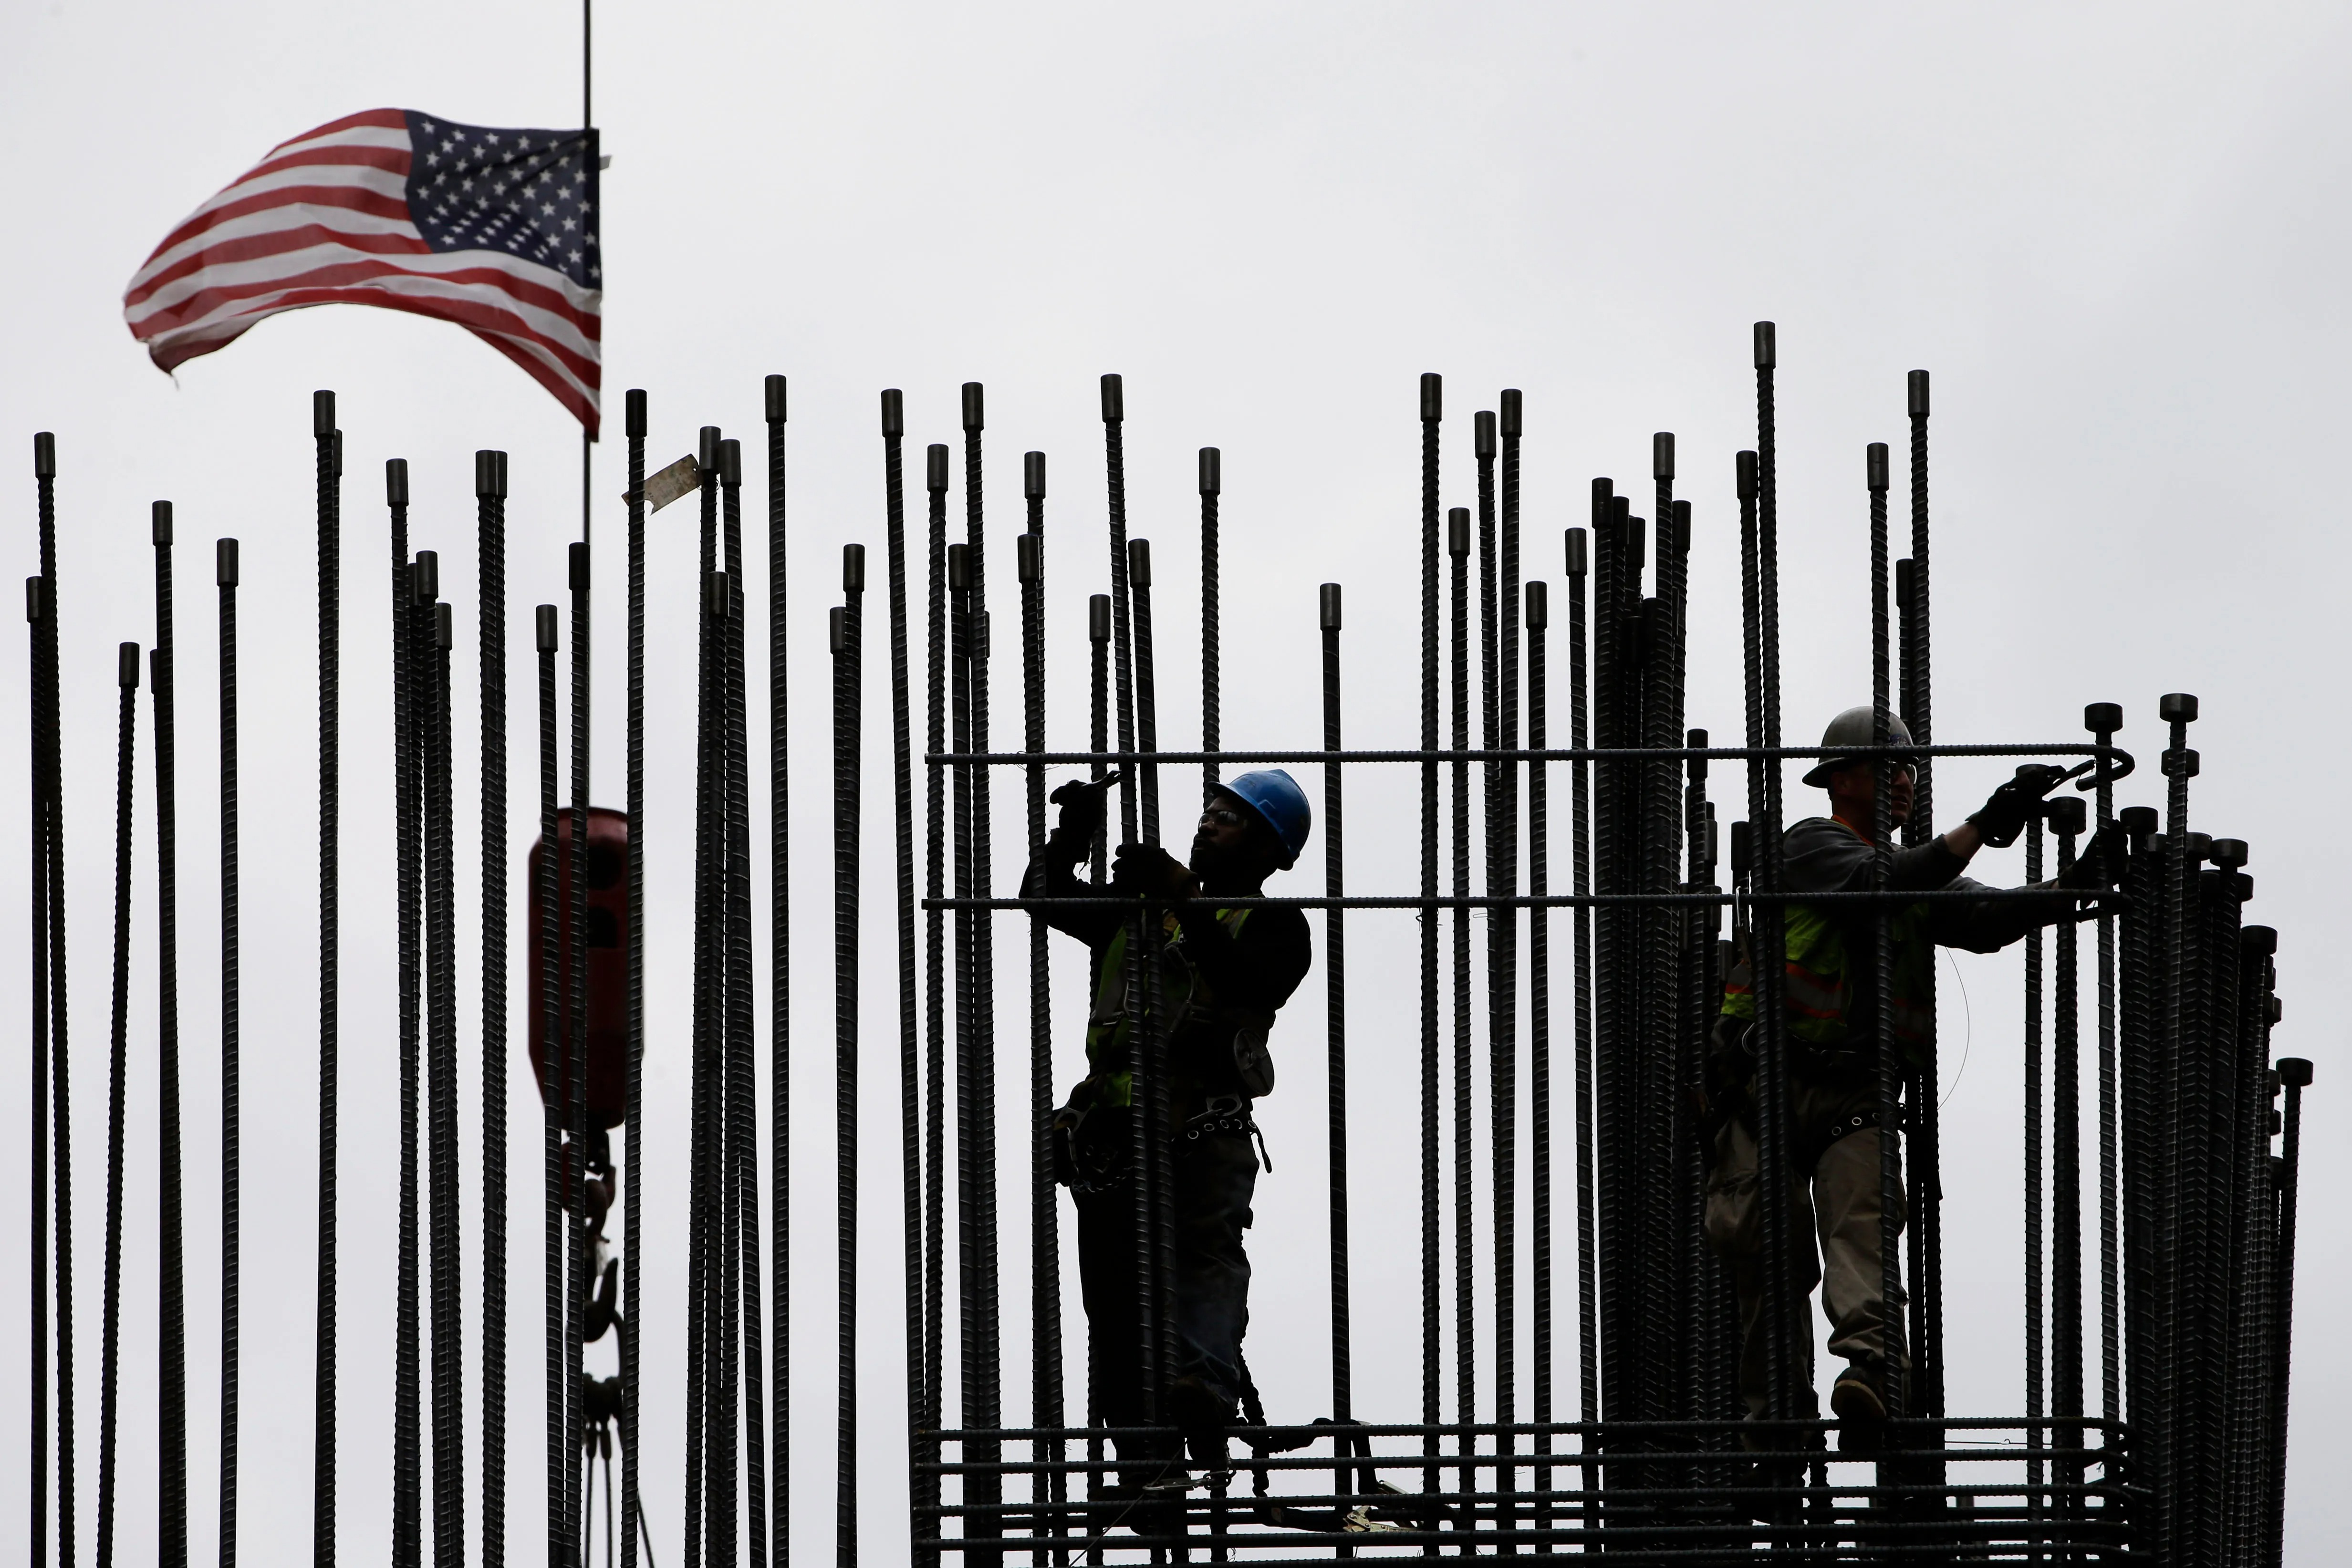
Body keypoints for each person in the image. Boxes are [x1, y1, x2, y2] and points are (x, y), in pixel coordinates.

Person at [1707, 706, 2120, 1435]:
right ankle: (1774, 1426)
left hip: (1858, 1089)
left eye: (1909, 768)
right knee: (1769, 1265)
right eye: (1887, 766)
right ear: (1839, 778)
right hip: (1764, 1088)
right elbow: (1887, 879)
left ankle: (1870, 1369)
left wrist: (2069, 889)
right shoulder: (1811, 846)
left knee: (1861, 1226)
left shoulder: (1908, 875)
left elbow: (1985, 915)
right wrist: (1982, 825)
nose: (1903, 780)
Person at [1024, 767, 1314, 1498]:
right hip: (1112, 1138)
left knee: (1202, 1266)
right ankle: (1146, 1463)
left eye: (1232, 818)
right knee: (1117, 1308)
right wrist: (1074, 834)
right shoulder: (1139, 914)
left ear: (1270, 851)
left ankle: (1205, 1395)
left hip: (1199, 1129)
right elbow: (1042, 896)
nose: (1208, 822)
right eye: (1210, 810)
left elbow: (1247, 982)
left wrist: (1184, 899)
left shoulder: (1276, 925)